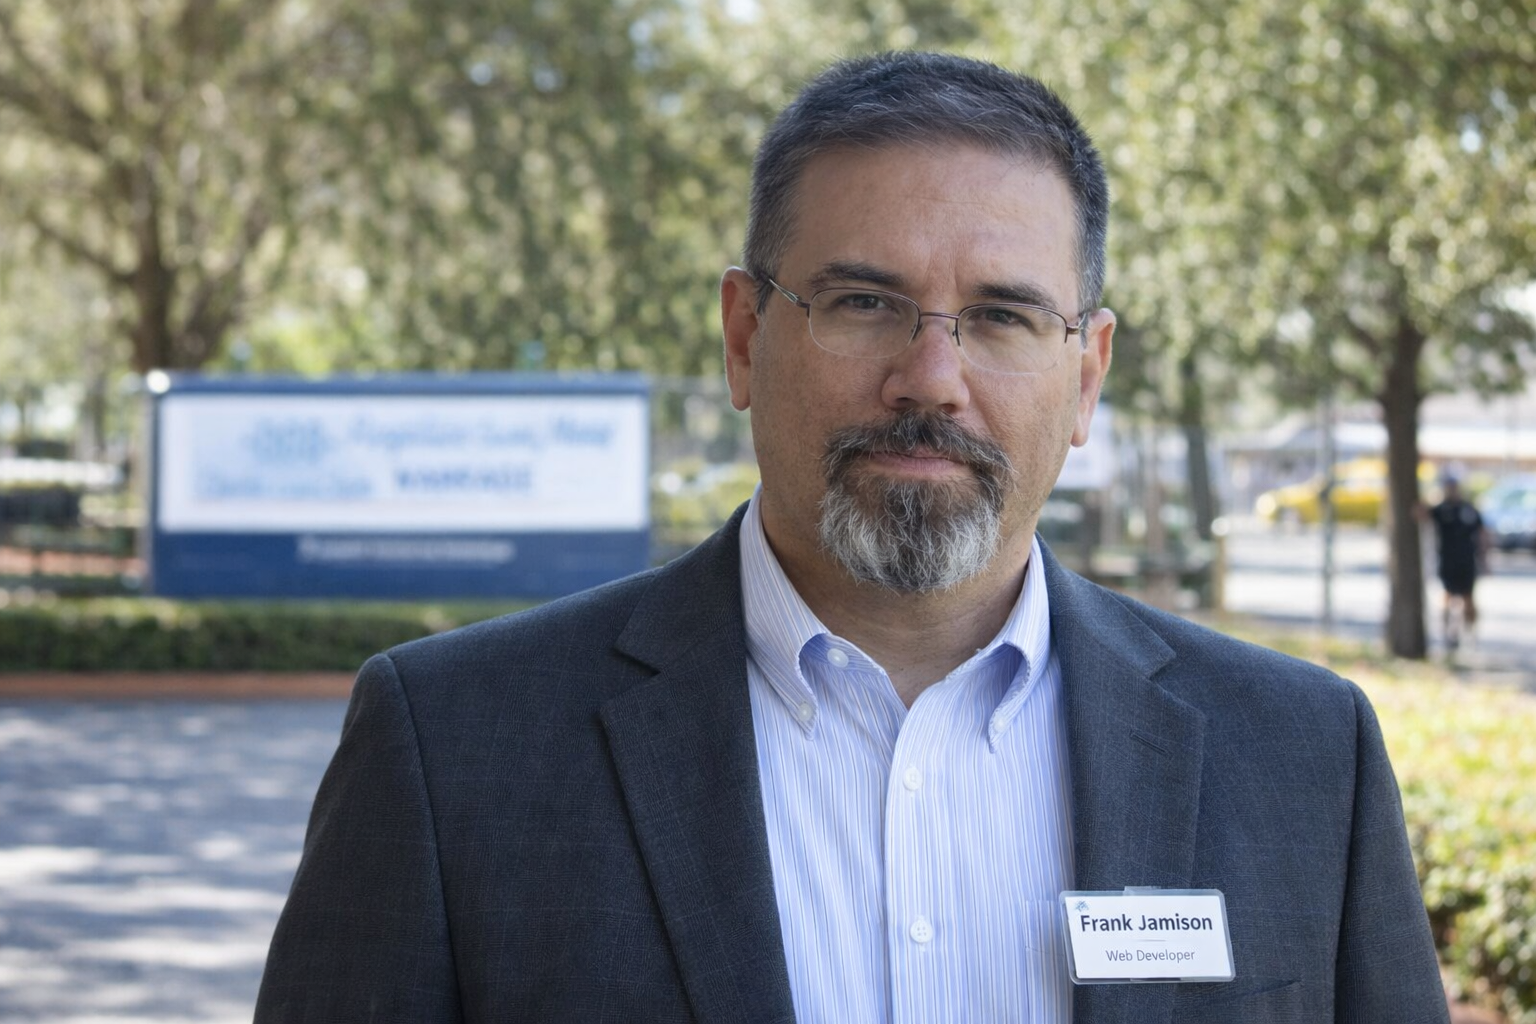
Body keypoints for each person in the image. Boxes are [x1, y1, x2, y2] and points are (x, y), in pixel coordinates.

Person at [256, 53, 1448, 1023]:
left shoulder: (1305, 757)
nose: (931, 377)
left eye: (1003, 315)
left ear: (1086, 376)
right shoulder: (453, 750)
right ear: (742, 336)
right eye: (864, 302)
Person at [1429, 473, 1487, 649]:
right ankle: (1447, 634)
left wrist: (1485, 559)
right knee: (1447, 596)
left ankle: (1470, 632)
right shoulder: (1440, 509)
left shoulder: (1469, 509)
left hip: (1468, 561)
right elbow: (1420, 513)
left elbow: (1483, 533)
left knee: (1468, 599)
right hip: (1447, 560)